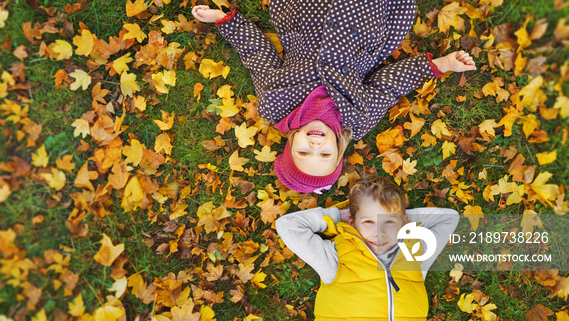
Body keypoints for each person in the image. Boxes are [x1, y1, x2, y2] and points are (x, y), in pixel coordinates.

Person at [191, 3, 476, 193]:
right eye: (324, 154)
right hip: (361, 28)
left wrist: (225, 22)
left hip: (305, 17)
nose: (315, 144)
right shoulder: (357, 119)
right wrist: (440, 65)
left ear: (291, 144)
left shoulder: (275, 104)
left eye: (304, 152)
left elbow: (258, 57)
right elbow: (388, 86)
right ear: (337, 150)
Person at [275, 174, 459, 321]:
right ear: (352, 223)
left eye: (388, 222)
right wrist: (340, 215)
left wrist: (400, 217)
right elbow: (289, 225)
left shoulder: (416, 254)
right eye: (368, 222)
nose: (379, 232)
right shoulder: (336, 257)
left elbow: (450, 218)